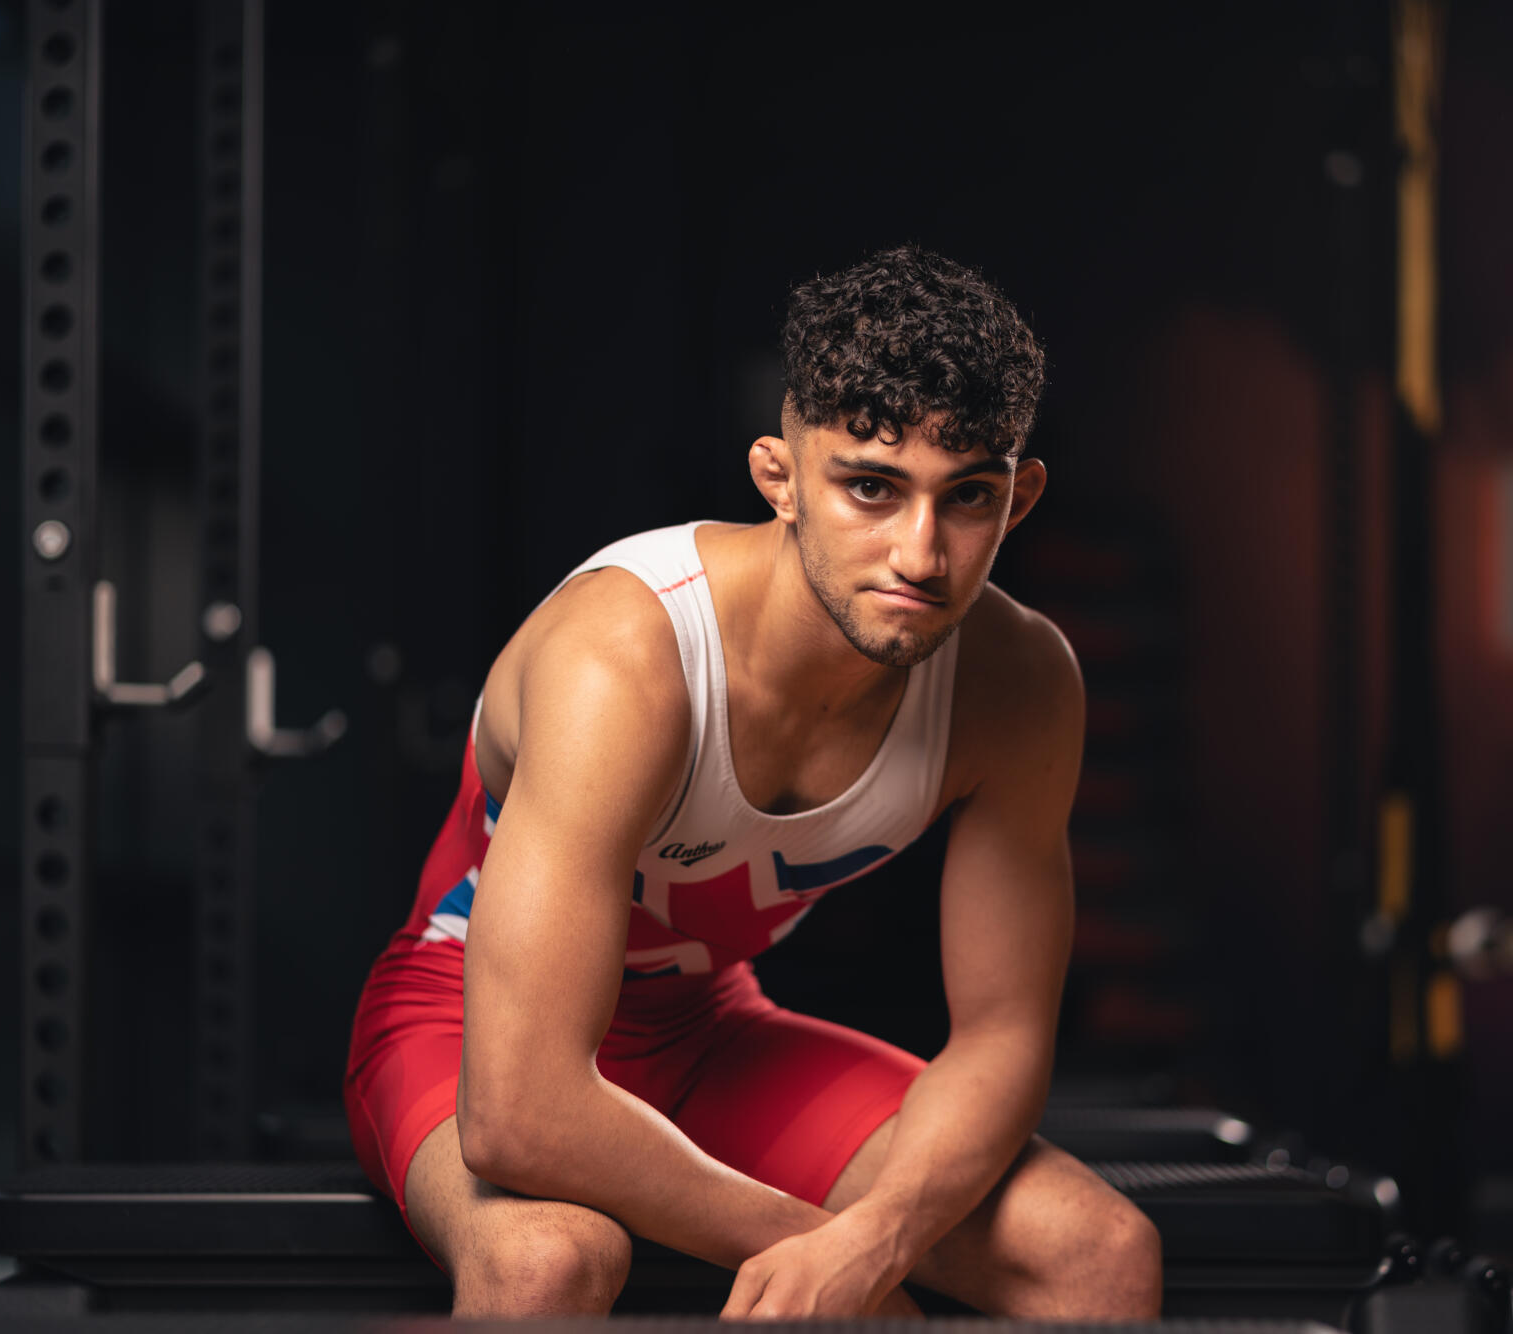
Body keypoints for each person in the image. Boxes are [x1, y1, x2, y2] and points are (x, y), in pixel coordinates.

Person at [343, 246, 1163, 1318]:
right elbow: (521, 1111)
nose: (920, 553)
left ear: (1018, 500)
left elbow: (1002, 1032)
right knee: (548, 1260)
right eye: (869, 488)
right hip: (464, 1031)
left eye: (966, 496)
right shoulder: (628, 654)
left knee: (1100, 1252)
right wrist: (830, 1257)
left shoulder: (1017, 682)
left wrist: (877, 1240)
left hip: (704, 1034)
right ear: (778, 477)